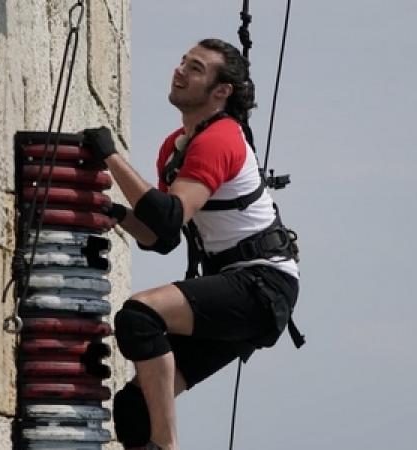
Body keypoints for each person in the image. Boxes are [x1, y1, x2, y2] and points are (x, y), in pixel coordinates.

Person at [82, 38, 301, 450]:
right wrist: (118, 216)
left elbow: (167, 214)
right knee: (133, 410)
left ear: (221, 92)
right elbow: (162, 236)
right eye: (182, 62)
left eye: (195, 68)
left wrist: (110, 157)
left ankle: (167, 446)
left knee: (140, 317)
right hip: (241, 285)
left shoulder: (221, 139)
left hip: (263, 284)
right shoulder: (174, 148)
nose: (180, 70)